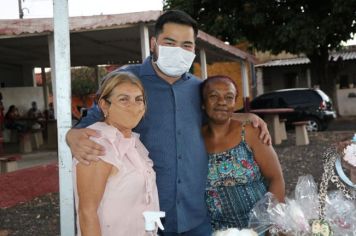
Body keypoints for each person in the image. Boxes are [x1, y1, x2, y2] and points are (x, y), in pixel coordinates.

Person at [66, 10, 270, 235]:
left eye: (186, 45)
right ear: (154, 43)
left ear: (194, 48)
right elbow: (91, 122)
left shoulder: (199, 88)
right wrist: (71, 135)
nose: (178, 51)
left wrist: (247, 117)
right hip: (146, 220)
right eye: (170, 42)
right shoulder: (127, 82)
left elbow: (215, 116)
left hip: (196, 218)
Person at [73, 71, 159, 236]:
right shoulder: (99, 145)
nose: (134, 106)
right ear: (104, 105)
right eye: (123, 99)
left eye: (138, 99)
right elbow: (87, 214)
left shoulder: (133, 142)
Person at [201, 75, 285, 231]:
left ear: (234, 103)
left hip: (259, 228)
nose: (222, 102)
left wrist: (271, 224)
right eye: (213, 96)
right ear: (203, 103)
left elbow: (276, 179)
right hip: (217, 231)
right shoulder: (195, 139)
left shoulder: (250, 132)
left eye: (229, 97)